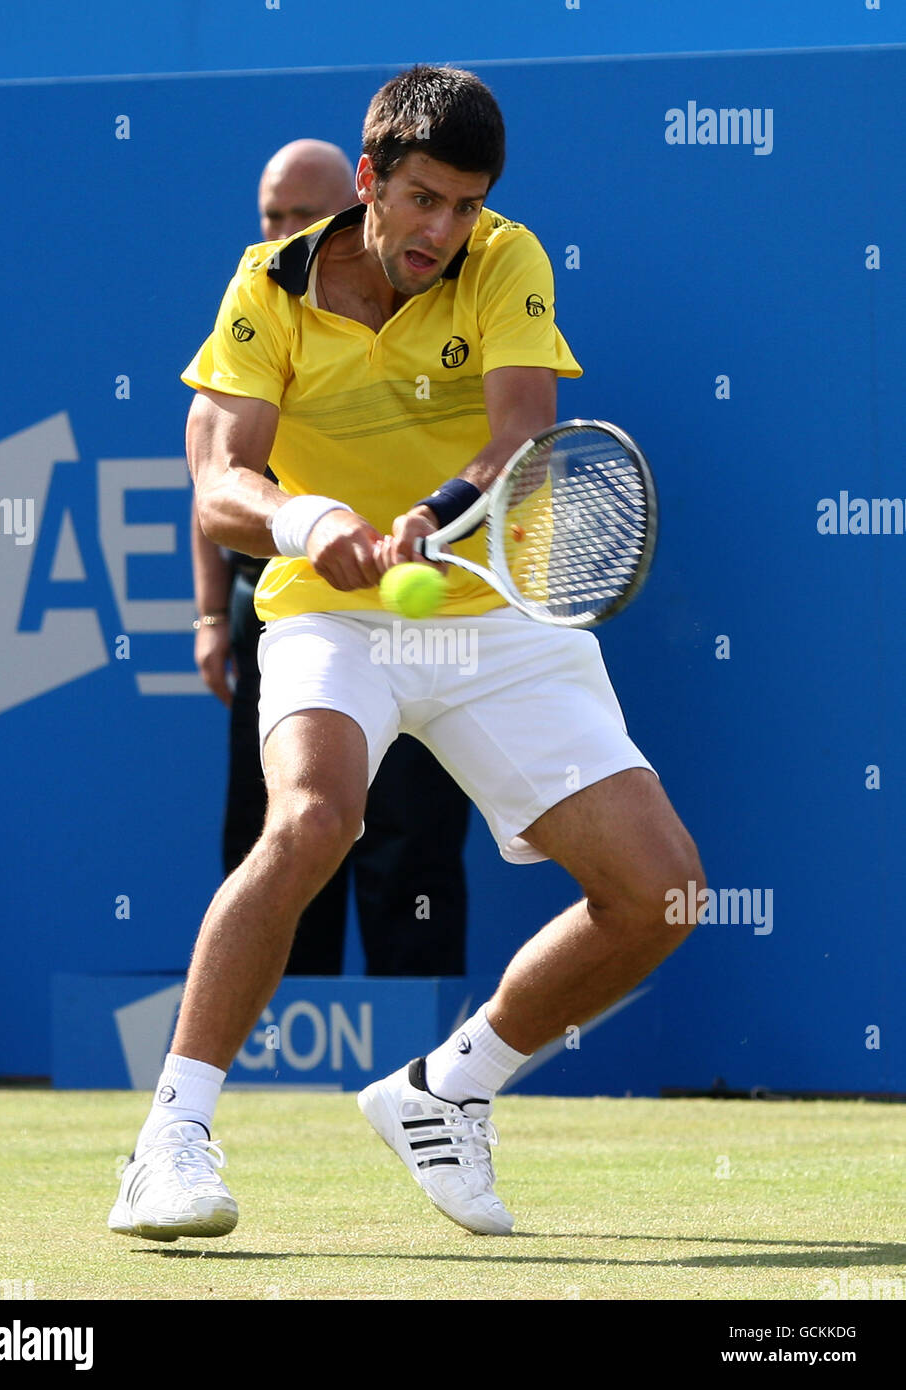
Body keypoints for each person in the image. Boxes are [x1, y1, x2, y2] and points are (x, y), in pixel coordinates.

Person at [109, 65, 703, 1242]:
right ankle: (170, 1137)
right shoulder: (268, 284)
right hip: (330, 616)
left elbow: (523, 431)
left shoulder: (505, 259)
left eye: (465, 206)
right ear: (368, 180)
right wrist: (311, 521)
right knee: (314, 820)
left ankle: (448, 1090)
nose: (444, 230)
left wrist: (437, 510)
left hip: (487, 611)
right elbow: (219, 479)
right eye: (422, 199)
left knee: (662, 891)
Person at [192, 137, 471, 974]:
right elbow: (211, 480)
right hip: (282, 609)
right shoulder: (260, 299)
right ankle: (277, 1043)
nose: (283, 230)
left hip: (423, 607)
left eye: (301, 215)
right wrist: (211, 614)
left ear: (356, 205)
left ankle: (422, 1067)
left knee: (410, 842)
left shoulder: (434, 291)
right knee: (283, 832)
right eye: (271, 215)